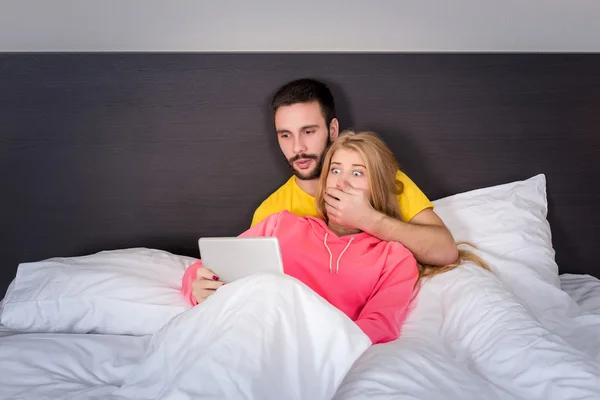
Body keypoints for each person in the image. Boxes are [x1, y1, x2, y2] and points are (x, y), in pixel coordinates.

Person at [182, 130, 491, 345]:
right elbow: (212, 264)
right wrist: (196, 285)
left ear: (377, 188)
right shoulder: (281, 223)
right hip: (246, 331)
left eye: (357, 173)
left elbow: (379, 324)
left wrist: (321, 343)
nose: (342, 183)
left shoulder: (394, 258)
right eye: (335, 171)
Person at [251, 78, 459, 268]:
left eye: (308, 132)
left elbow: (446, 251)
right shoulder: (270, 214)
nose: (297, 148)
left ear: (333, 130)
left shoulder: (381, 180)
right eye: (286, 135)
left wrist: (368, 220)